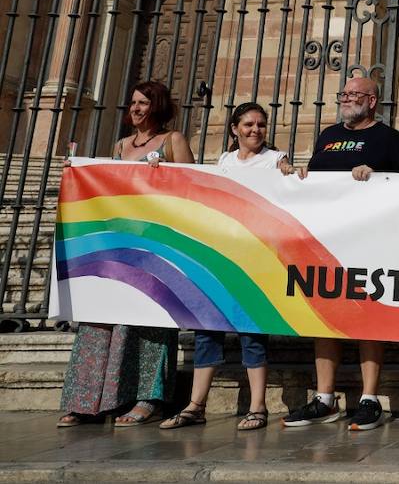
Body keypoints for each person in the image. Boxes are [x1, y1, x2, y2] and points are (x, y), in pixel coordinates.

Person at [282, 75, 399, 432]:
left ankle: (369, 398)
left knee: (367, 316)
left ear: (372, 101)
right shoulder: (328, 136)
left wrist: (377, 174)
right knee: (323, 315)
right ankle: (325, 398)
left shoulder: (388, 138)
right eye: (343, 93)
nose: (346, 99)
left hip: (369, 240)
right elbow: (315, 179)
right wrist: (296, 175)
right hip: (325, 241)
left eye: (354, 94)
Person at [57, 80, 191, 428]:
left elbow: (193, 186)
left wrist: (165, 177)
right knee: (100, 319)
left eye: (143, 103)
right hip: (117, 245)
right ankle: (87, 399)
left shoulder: (172, 141)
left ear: (157, 106)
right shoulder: (121, 145)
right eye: (132, 102)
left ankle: (149, 399)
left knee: (149, 324)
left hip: (156, 246)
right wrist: (77, 174)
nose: (135, 108)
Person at [162, 102, 294, 432]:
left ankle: (258, 406)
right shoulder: (224, 161)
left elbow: (290, 189)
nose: (256, 130)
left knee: (252, 330)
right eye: (249, 124)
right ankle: (196, 404)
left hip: (256, 256)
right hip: (220, 255)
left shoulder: (275, 160)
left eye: (261, 125)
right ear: (234, 128)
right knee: (207, 329)